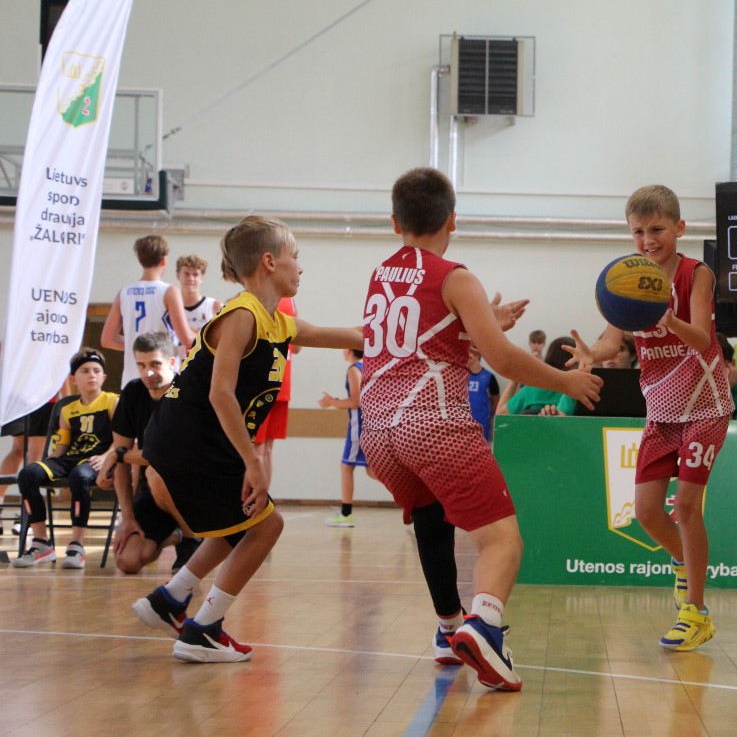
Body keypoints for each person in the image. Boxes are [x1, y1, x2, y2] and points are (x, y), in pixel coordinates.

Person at [358, 167, 601, 691]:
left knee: (430, 517)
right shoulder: (455, 277)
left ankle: (449, 629)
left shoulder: (381, 275)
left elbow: (416, 341)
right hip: (432, 423)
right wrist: (567, 381)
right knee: (501, 540)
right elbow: (503, 360)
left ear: (394, 222)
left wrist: (480, 320)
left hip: (376, 430)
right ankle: (485, 625)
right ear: (453, 219)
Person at [131, 215, 362, 663]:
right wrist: (253, 462)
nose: (301, 266)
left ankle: (171, 599)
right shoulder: (242, 315)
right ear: (270, 262)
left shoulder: (278, 322)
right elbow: (220, 393)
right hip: (189, 439)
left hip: (195, 440)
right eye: (296, 256)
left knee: (240, 521)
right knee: (266, 526)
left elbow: (353, 335)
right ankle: (203, 630)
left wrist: (440, 329)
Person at [568, 184, 733, 653]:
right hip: (661, 413)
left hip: (705, 407)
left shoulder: (696, 273)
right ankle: (684, 564)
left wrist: (667, 319)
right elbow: (612, 340)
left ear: (679, 228)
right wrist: (592, 354)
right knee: (644, 511)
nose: (647, 240)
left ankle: (696, 613)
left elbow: (702, 339)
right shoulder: (628, 278)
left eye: (657, 229)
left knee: (686, 507)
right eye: (638, 232)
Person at [98, 331, 199, 574]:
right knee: (127, 561)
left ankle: (192, 538)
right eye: (141, 366)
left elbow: (166, 456)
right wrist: (128, 517)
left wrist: (117, 455)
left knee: (156, 472)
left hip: (192, 491)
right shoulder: (133, 392)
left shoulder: (187, 393)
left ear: (172, 362)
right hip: (153, 494)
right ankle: (175, 535)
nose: (148, 373)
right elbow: (121, 456)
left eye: (155, 364)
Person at [13, 348, 119, 569]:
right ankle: (42, 543)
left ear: (104, 377)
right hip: (70, 458)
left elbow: (121, 440)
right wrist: (48, 461)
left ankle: (76, 545)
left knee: (79, 477)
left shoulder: (112, 402)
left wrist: (106, 456)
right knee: (28, 474)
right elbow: (62, 446)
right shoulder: (67, 409)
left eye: (96, 371)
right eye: (85, 371)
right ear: (73, 379)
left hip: (95, 460)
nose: (91, 375)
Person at [101, 234, 196, 388]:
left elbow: (107, 339)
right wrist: (207, 335)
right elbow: (187, 339)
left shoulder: (124, 292)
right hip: (162, 378)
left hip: (132, 381)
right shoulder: (169, 291)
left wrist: (139, 346)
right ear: (164, 260)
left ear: (140, 260)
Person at [318, 348, 368, 527]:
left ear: (349, 350)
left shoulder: (354, 369)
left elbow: (356, 401)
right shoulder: (366, 366)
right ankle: (412, 500)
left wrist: (331, 402)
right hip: (367, 424)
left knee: (346, 466)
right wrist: (336, 401)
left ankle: (346, 514)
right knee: (372, 471)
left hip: (358, 425)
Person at [253, 296, 299, 482]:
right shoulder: (291, 301)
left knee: (258, 448)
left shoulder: (258, 297)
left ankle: (257, 498)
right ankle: (263, 497)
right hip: (283, 381)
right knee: (267, 449)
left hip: (262, 384)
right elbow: (297, 347)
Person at [1, 397, 58, 531]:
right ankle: (27, 515)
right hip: (39, 398)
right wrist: (66, 401)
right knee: (31, 453)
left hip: (28, 397)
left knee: (20, 450)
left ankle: (26, 513)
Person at [496, 337, 577, 416]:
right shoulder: (576, 389)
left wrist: (514, 380)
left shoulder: (530, 390)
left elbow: (500, 415)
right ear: (572, 363)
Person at [175, 254, 223, 347]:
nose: (191, 278)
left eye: (195, 274)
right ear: (178, 275)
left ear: (202, 278)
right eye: (186, 274)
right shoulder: (171, 307)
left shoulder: (215, 306)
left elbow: (223, 340)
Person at [466, 346, 500, 442]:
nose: (469, 354)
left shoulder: (489, 377)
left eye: (472, 351)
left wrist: (490, 415)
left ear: (478, 354)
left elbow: (496, 400)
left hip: (483, 420)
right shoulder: (461, 376)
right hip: (464, 420)